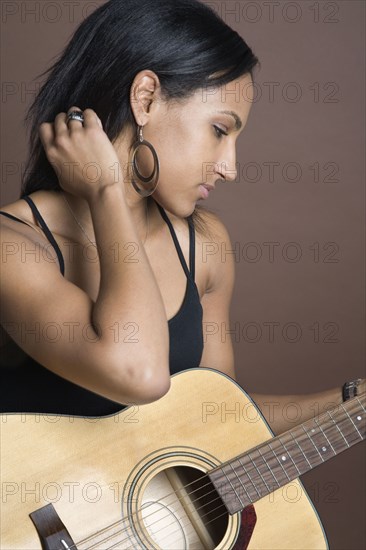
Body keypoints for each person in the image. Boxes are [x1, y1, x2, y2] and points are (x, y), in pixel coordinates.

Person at [0, 0, 364, 426]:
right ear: (146, 98)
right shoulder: (13, 248)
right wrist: (105, 189)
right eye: (219, 130)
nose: (230, 168)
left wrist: (352, 402)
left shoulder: (204, 246)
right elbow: (140, 373)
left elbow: (216, 425)